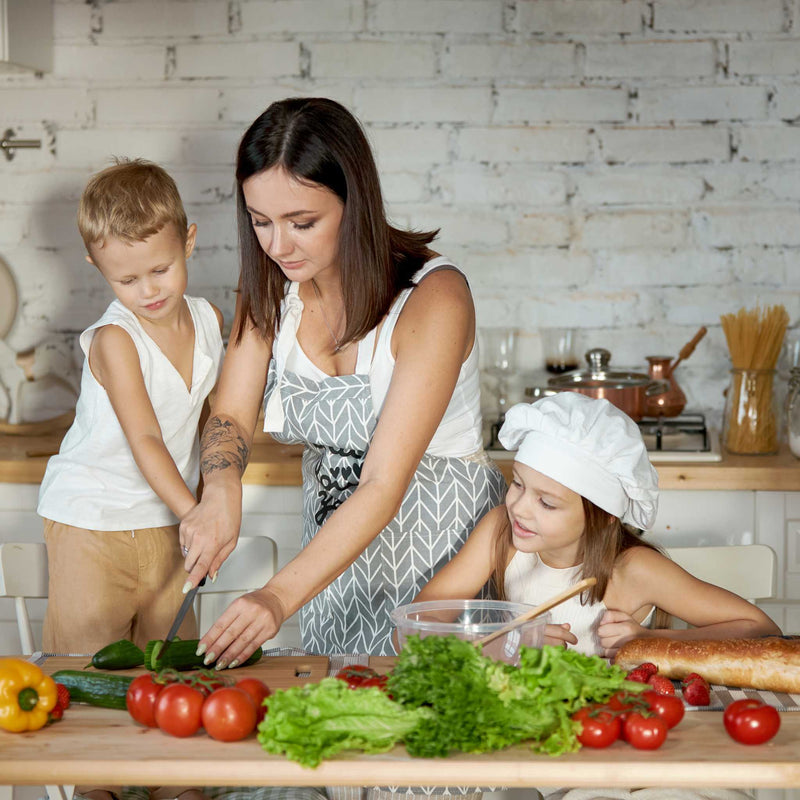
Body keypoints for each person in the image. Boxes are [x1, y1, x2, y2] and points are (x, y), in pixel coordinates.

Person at [177, 96, 506, 668]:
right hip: (330, 575)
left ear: (354, 202)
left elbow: (380, 482)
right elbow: (229, 413)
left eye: (302, 223)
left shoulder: (434, 298)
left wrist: (276, 596)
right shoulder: (271, 288)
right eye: (260, 222)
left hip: (442, 577)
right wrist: (221, 488)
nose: (278, 246)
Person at [413, 392, 782, 658]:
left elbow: (763, 630)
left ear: (603, 514)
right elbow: (416, 623)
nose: (518, 508)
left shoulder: (635, 570)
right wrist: (501, 644)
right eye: (518, 484)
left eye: (547, 502)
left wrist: (648, 641)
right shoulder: (500, 532)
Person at [38, 158, 224, 657]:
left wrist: (207, 501)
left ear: (188, 241)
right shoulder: (117, 339)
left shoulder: (209, 320)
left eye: (161, 269)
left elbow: (209, 419)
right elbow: (145, 437)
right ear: (96, 266)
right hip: (93, 523)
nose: (148, 291)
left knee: (171, 665)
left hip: (170, 520)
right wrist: (198, 514)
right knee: (87, 669)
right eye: (126, 280)